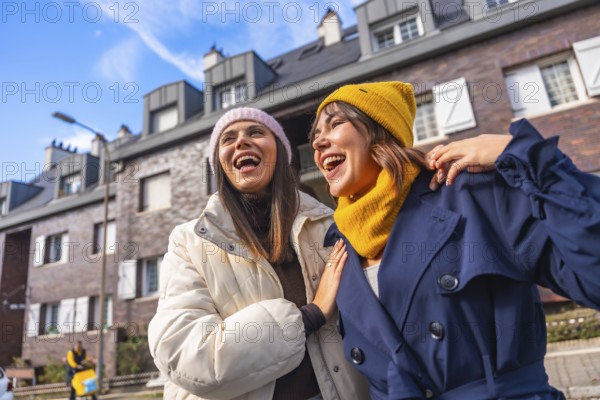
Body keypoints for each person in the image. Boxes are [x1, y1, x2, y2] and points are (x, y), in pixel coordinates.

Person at [309, 81, 600, 399]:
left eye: (336, 123)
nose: (318, 142)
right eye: (314, 136)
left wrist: (525, 156)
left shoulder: (469, 194)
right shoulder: (340, 249)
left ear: (382, 130)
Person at [148, 107, 369, 400]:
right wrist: (310, 316)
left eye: (255, 132)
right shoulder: (189, 242)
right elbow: (186, 353)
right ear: (221, 165)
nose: (241, 142)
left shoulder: (330, 224)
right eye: (228, 139)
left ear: (280, 154)